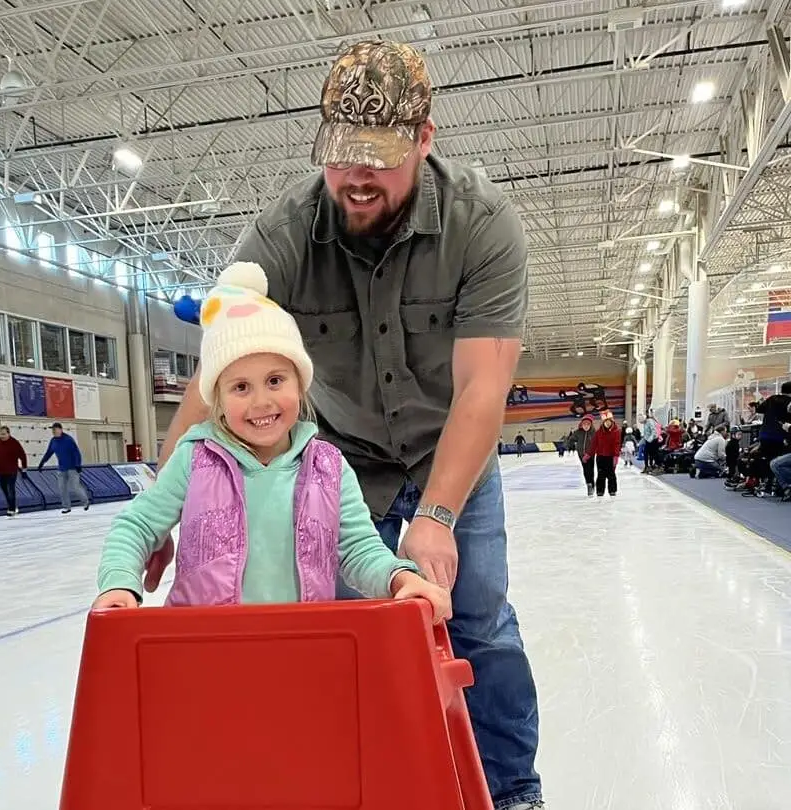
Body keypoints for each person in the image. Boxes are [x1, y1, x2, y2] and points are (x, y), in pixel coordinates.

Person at [140, 40, 544, 810]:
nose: (355, 179)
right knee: (349, 635)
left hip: (449, 454)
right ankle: (376, 786)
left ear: (425, 139)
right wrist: (169, 508)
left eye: (380, 158)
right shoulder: (284, 233)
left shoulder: (482, 224)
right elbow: (213, 378)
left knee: (480, 624)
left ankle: (515, 793)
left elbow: (482, 389)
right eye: (339, 156)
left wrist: (436, 515)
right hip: (340, 461)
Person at [92, 263, 450, 619]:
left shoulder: (328, 466)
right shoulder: (196, 460)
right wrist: (120, 583)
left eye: (275, 381)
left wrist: (399, 577)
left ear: (300, 383)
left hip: (298, 647)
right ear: (217, 398)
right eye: (241, 387)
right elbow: (137, 526)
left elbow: (358, 548)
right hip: (204, 650)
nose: (261, 402)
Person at [39, 422, 90, 513]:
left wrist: (78, 464)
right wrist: (42, 463)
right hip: (61, 468)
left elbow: (76, 453)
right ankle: (67, 506)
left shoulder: (68, 440)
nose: (53, 431)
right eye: (52, 430)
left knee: (75, 486)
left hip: (72, 468)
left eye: (55, 429)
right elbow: (48, 453)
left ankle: (85, 502)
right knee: (62, 488)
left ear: (60, 430)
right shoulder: (53, 441)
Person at [0, 426, 28, 516]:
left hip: (12, 470)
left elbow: (23, 456)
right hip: (1, 471)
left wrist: (24, 470)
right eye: (0, 434)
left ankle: (11, 509)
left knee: (11, 489)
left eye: (4, 434)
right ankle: (13, 506)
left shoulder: (14, 443)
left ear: (8, 434)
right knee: (4, 489)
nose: (2, 436)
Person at [586, 411, 621, 497]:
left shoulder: (616, 432)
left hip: (610, 457)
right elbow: (594, 444)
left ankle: (612, 490)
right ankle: (600, 491)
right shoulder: (598, 432)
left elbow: (617, 444)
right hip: (600, 457)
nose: (607, 423)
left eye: (609, 421)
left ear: (612, 422)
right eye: (606, 421)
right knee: (601, 475)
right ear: (603, 422)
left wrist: (616, 456)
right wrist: (589, 454)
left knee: (611, 475)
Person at [569, 414, 597, 496]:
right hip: (581, 454)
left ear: (591, 425)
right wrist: (568, 444)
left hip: (591, 454)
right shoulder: (578, 432)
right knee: (586, 470)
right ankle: (589, 484)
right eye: (584, 424)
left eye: (588, 424)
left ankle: (591, 483)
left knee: (590, 470)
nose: (586, 426)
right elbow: (571, 439)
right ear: (582, 424)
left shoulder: (594, 433)